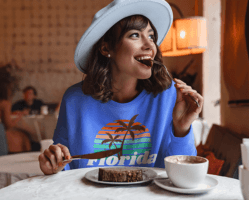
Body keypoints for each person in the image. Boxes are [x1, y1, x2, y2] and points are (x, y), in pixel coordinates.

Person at [39, 0, 203, 175]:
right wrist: (54, 165)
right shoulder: (74, 100)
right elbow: (65, 168)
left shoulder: (167, 96)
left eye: (151, 36)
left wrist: (182, 128)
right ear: (106, 47)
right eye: (134, 35)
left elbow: (184, 174)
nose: (149, 46)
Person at [0, 65, 37, 153]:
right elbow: (9, 125)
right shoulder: (5, 103)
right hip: (1, 134)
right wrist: (20, 115)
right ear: (7, 89)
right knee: (26, 136)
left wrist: (13, 113)